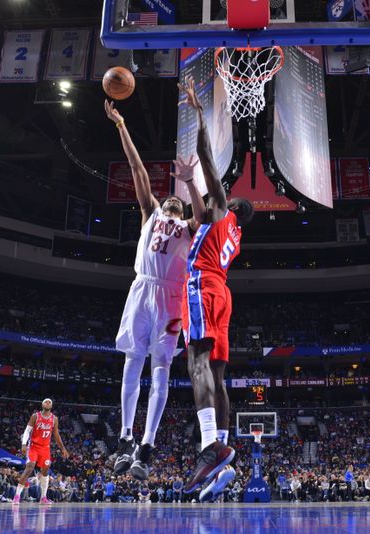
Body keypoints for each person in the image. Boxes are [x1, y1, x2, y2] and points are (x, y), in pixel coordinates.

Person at [105, 100, 206, 482]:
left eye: (176, 201)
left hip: (172, 296)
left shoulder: (189, 227)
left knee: (161, 366)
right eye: (171, 198)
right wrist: (121, 125)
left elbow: (202, 213)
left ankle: (147, 446)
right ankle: (125, 439)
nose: (172, 200)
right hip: (142, 288)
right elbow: (136, 168)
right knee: (133, 361)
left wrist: (192, 181)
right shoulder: (151, 213)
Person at [177, 78, 255, 499]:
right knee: (219, 376)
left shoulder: (223, 210)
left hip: (203, 287)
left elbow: (208, 157)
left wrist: (199, 114)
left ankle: (209, 445)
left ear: (233, 206)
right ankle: (222, 446)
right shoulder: (235, 236)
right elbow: (199, 208)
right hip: (223, 293)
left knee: (196, 364)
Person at [12, 399, 69, 505]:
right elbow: (27, 430)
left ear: (51, 406)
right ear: (42, 404)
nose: (47, 403)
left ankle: (43, 498)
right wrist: (24, 444)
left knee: (45, 472)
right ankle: (17, 496)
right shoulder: (35, 416)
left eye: (49, 402)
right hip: (33, 446)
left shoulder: (54, 419)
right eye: (45, 402)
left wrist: (63, 448)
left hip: (45, 449)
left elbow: (56, 435)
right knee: (29, 468)